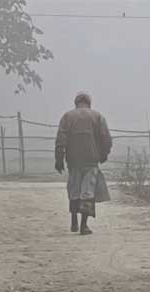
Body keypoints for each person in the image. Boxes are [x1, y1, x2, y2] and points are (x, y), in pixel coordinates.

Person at [55, 92, 112, 235]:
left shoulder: (67, 117)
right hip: (91, 160)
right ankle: (83, 225)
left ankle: (74, 219)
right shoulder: (97, 116)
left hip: (73, 161)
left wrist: (59, 159)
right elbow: (106, 139)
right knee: (87, 192)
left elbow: (60, 139)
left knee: (74, 190)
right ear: (89, 102)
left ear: (76, 103)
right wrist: (104, 154)